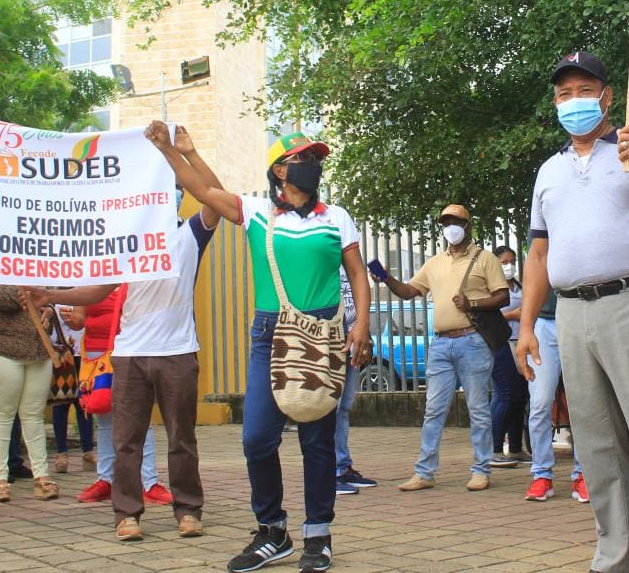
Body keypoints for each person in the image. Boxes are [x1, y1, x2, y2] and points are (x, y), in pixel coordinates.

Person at [142, 125, 371, 573]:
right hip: (271, 335)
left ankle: (318, 534)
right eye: (305, 158)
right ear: (280, 170)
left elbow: (358, 274)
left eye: (316, 159)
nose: (314, 166)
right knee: (256, 439)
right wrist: (173, 150)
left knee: (317, 440)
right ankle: (273, 530)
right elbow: (205, 190)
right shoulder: (258, 213)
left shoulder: (336, 216)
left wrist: (360, 323)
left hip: (322, 335)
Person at [515, 50, 629, 573]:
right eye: (563, 93)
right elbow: (538, 253)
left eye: (583, 90)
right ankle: (615, 559)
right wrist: (527, 326)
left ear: (607, 96)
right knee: (596, 447)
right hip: (571, 315)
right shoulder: (549, 170)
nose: (573, 101)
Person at [25, 126, 220, 542]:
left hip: (178, 352)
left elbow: (214, 195)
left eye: (168, 190)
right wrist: (51, 294)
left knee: (181, 438)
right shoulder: (129, 243)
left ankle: (188, 510)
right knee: (126, 439)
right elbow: (99, 290)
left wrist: (181, 152)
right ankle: (127, 515)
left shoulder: (190, 236)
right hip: (129, 354)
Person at [377, 204, 508, 494]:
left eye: (456, 221)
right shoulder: (434, 263)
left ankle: (481, 469)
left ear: (468, 225)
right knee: (433, 409)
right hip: (440, 343)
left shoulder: (484, 259)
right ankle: (425, 472)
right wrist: (387, 278)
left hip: (473, 340)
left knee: (477, 408)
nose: (451, 226)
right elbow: (410, 291)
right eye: (446, 222)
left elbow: (502, 296)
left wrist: (472, 303)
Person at [59, 288, 172, 507]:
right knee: (103, 417)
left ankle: (149, 482)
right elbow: (80, 319)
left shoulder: (136, 275)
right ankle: (106, 480)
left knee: (140, 416)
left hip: (130, 349)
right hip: (96, 355)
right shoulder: (92, 276)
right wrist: (72, 321)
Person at [0, 272, 58, 503]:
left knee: (33, 416)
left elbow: (52, 300)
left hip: (39, 351)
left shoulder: (40, 265)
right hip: (3, 350)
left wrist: (50, 307)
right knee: (3, 413)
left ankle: (42, 477)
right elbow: (0, 297)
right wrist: (37, 294)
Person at [520, 286, 586, 504]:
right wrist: (525, 328)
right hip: (544, 322)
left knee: (583, 404)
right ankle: (541, 475)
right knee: (540, 403)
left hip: (580, 316)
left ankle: (583, 474)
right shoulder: (541, 250)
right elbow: (532, 282)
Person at [334, 268, 377, 496]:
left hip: (352, 340)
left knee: (343, 407)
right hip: (330, 341)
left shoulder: (350, 263)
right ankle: (329, 472)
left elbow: (357, 304)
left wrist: (364, 335)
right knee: (329, 408)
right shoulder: (322, 248)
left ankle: (342, 466)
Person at [488, 245, 529, 469]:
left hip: (520, 343)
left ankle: (515, 447)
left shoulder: (518, 286)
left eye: (511, 261)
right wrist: (514, 315)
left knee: (519, 396)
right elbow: (488, 317)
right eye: (503, 262)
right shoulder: (490, 286)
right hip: (500, 344)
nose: (509, 265)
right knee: (505, 393)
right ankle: (492, 448)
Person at [50, 303, 95, 475]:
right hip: (62, 355)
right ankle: (61, 454)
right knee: (61, 403)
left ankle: (88, 451)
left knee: (84, 404)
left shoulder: (87, 290)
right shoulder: (53, 294)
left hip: (84, 354)